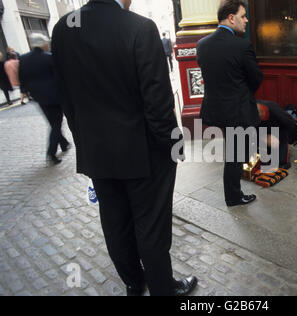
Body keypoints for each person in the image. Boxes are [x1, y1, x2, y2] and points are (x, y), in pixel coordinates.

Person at [51, 0, 196, 296]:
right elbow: (158, 101)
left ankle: (134, 281)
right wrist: (172, 146)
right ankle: (161, 289)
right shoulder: (139, 27)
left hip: (98, 152)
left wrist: (85, 143)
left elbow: (65, 97)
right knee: (151, 228)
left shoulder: (63, 28)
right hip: (143, 153)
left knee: (115, 222)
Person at [197, 0, 263, 207]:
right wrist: (243, 93)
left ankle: (233, 193)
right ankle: (233, 197)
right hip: (237, 110)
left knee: (236, 151)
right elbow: (256, 78)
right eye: (243, 16)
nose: (246, 20)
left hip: (216, 109)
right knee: (236, 154)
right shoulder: (242, 45)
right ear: (231, 17)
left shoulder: (202, 44)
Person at [19, 33, 71, 165]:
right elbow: (59, 77)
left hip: (38, 97)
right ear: (42, 44)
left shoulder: (24, 59)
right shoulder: (49, 57)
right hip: (54, 97)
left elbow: (22, 78)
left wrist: (25, 92)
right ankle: (51, 152)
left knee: (53, 122)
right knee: (56, 123)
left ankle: (64, 143)